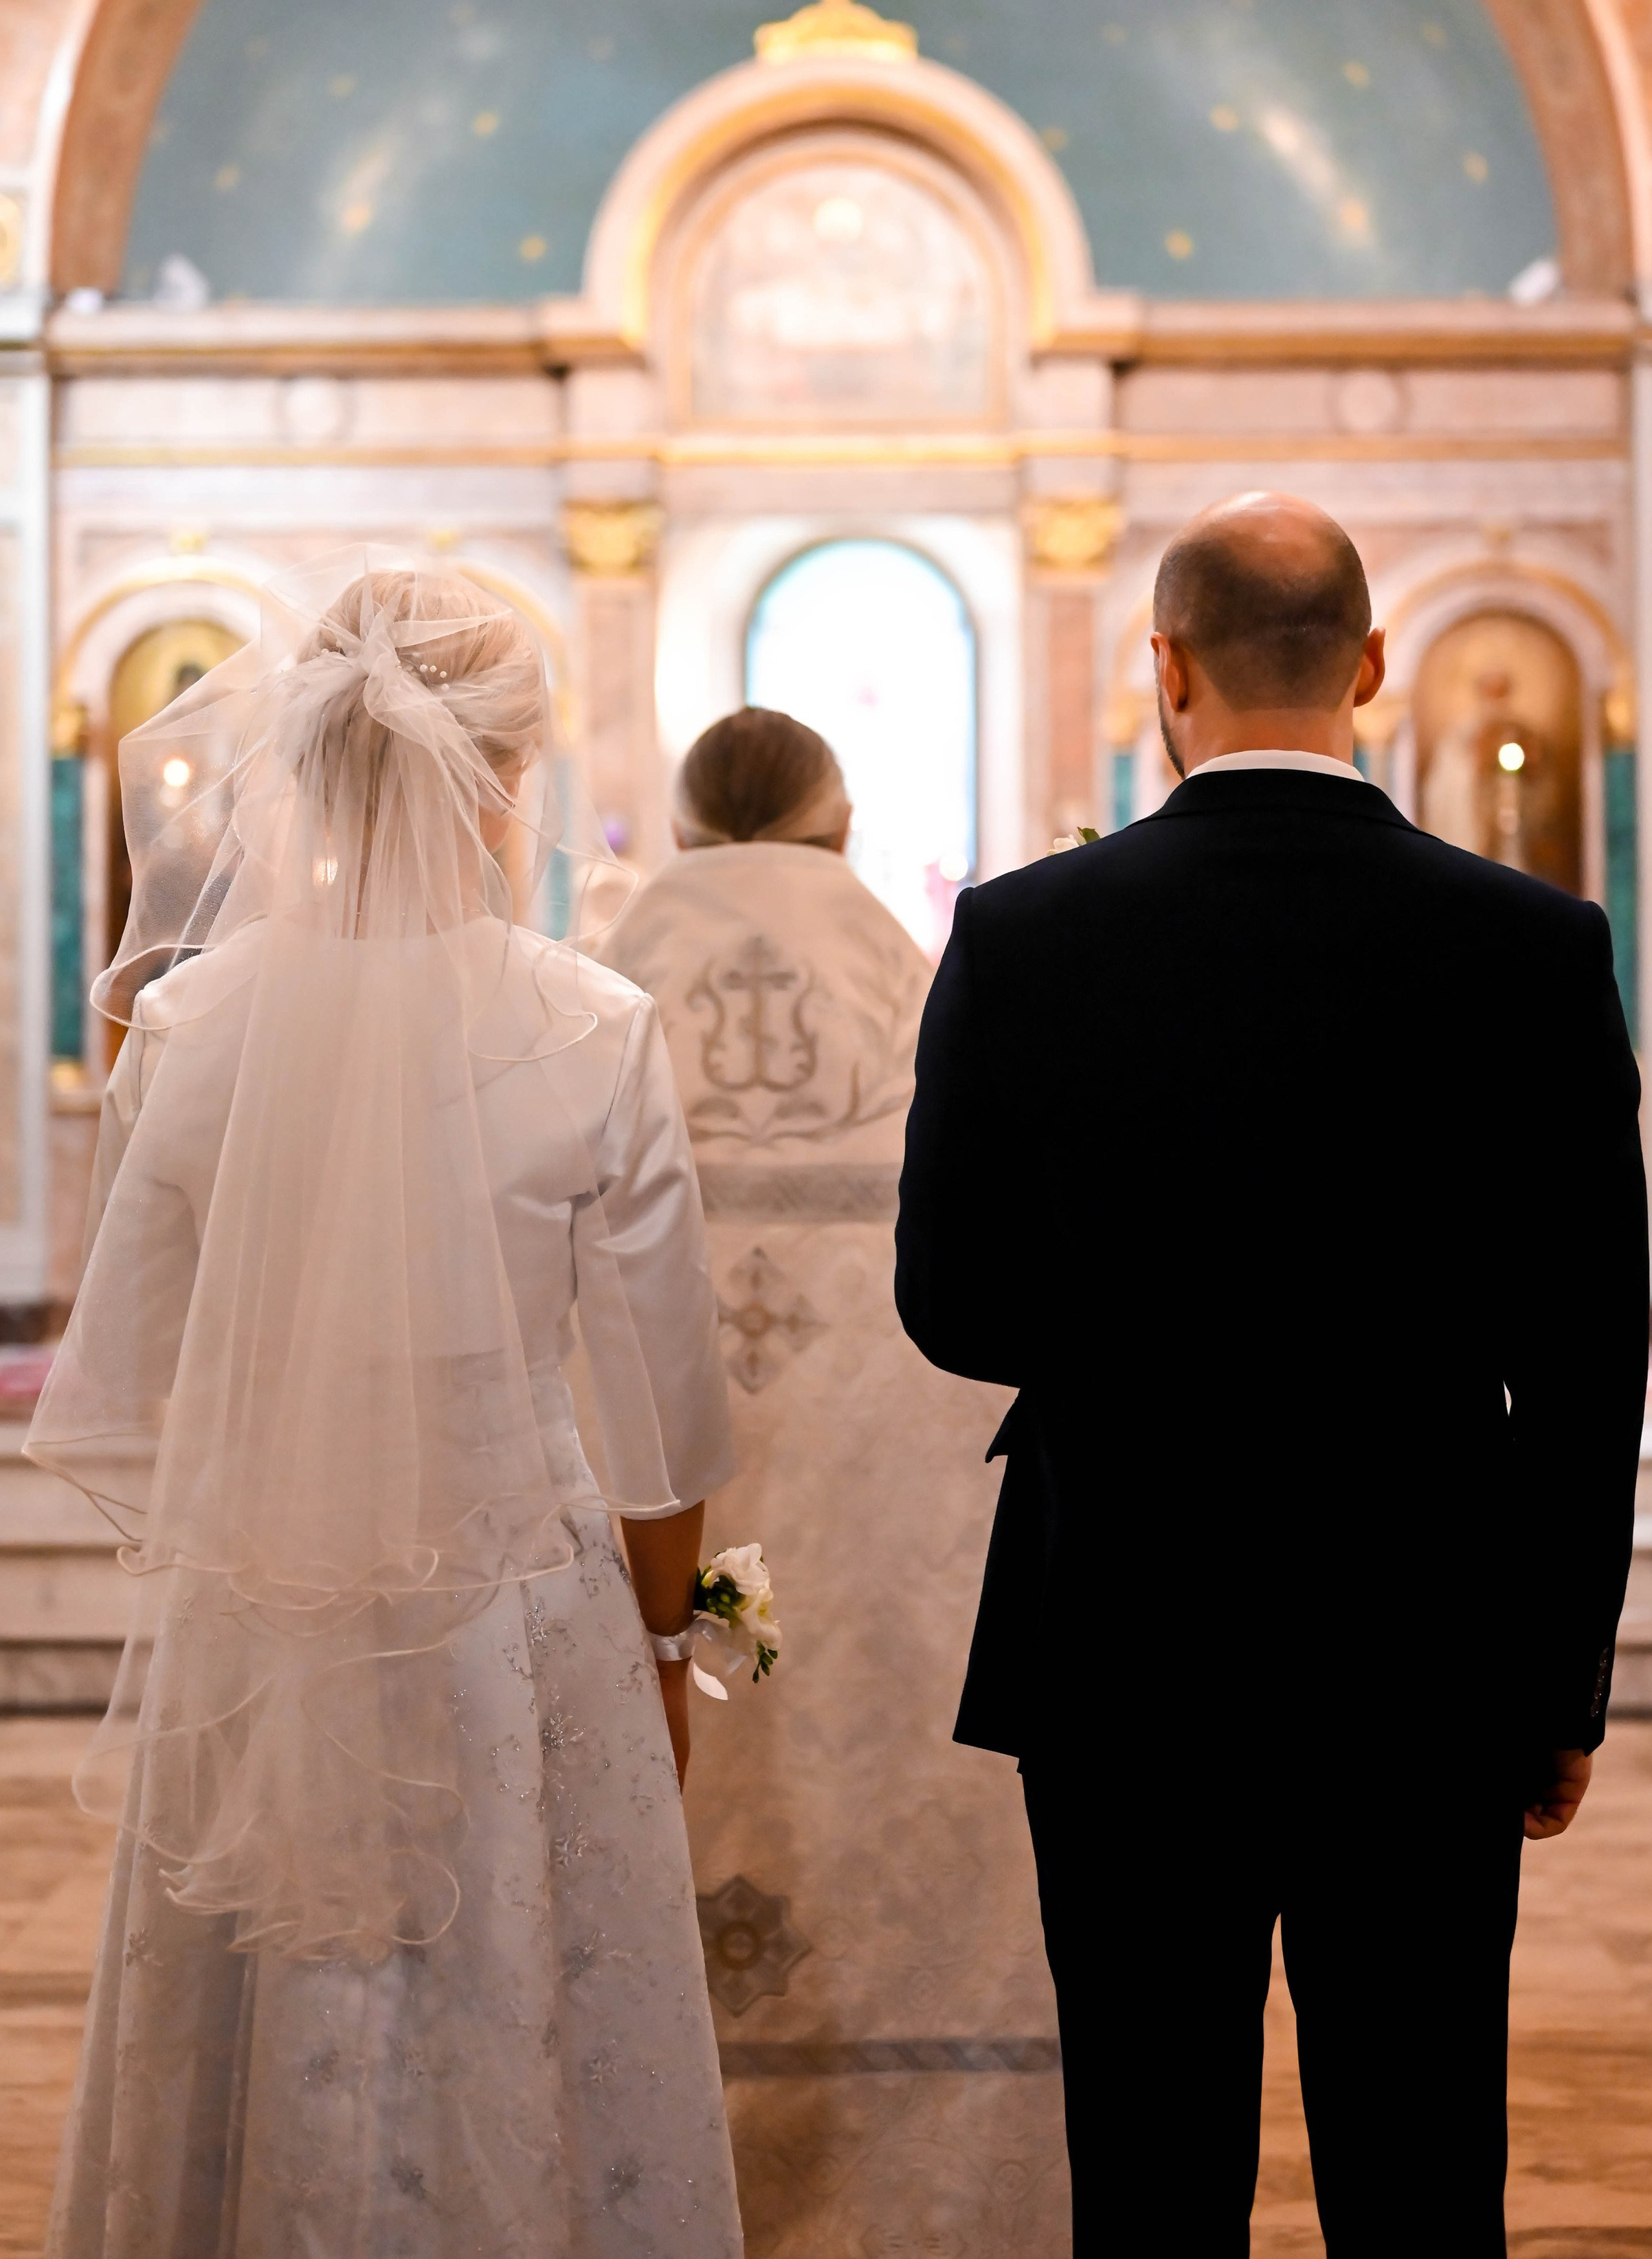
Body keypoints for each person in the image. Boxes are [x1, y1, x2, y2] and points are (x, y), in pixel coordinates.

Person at [895, 494, 1649, 2256]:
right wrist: (1562, 1681)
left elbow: (949, 1301)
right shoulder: (1533, 947)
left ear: (1161, 668)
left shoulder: (1021, 938)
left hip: (1124, 1640)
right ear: (1374, 664)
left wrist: (1149, 1334)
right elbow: (1588, 1359)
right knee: (1416, 2166)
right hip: (1429, 1643)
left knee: (1150, 2176)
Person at [27, 564, 744, 2259]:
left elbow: (127, 1378)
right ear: (507, 774)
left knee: (275, 1995)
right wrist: (665, 1650)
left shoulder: (192, 1021)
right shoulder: (592, 1023)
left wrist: (279, 1475)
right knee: (521, 1994)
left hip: (261, 1605)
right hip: (518, 1608)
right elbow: (659, 1415)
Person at [601, 708, 1066, 2253]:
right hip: (895, 1559)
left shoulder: (595, 993)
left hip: (645, 1549)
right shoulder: (929, 987)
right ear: (838, 821)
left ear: (677, 826)